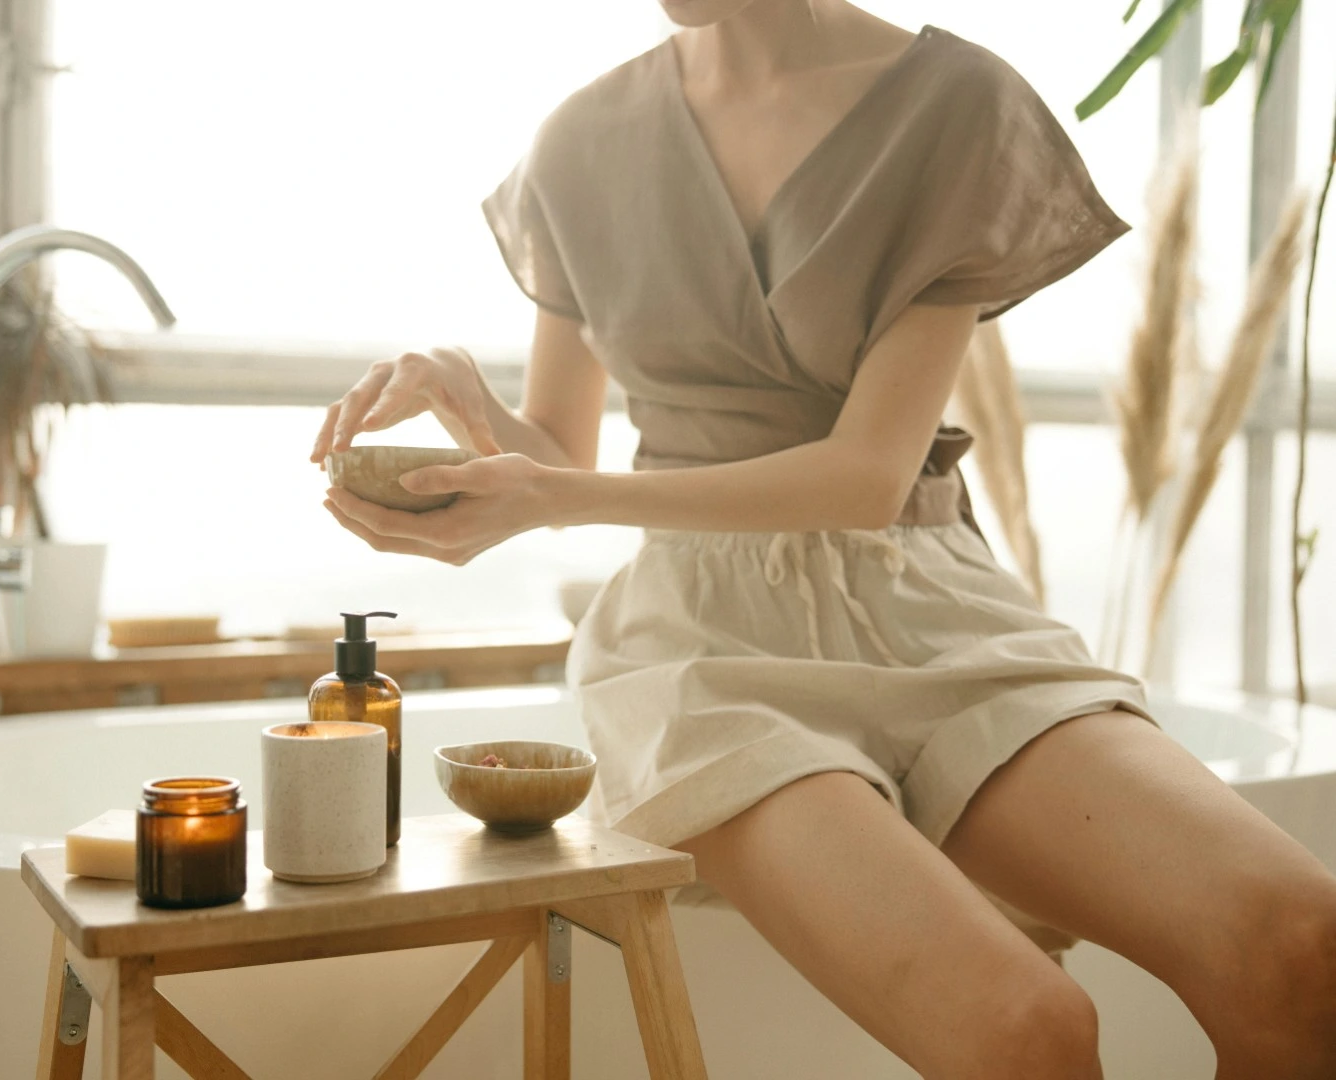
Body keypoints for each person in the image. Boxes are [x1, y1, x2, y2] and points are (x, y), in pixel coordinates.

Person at [311, 2, 1336, 1076]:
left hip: (935, 608)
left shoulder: (956, 109)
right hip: (703, 650)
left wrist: (555, 494)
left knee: (1305, 950)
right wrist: (473, 411)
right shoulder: (583, 143)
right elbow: (559, 445)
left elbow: (864, 478)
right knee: (1026, 1032)